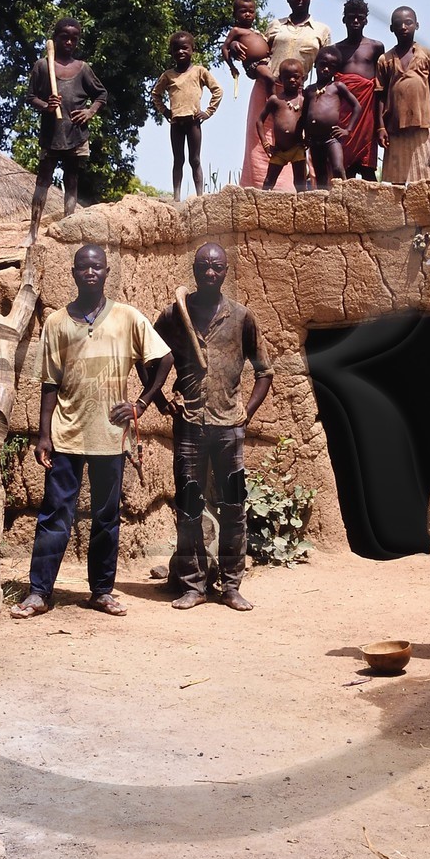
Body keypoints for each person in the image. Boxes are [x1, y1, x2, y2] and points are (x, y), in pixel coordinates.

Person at [11, 244, 174, 620]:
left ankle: (101, 591)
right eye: (83, 267)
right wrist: (43, 435)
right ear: (73, 273)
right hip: (67, 433)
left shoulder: (128, 318)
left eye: (96, 267)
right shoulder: (56, 323)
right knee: (55, 514)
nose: (90, 272)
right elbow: (49, 383)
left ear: (106, 272)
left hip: (111, 435)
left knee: (106, 517)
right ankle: (39, 593)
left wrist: (142, 404)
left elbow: (163, 359)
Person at [154, 243, 273, 611]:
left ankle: (232, 585)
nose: (209, 272)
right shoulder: (174, 316)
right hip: (189, 426)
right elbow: (149, 359)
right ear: (194, 269)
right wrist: (160, 401)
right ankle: (193, 584)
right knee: (189, 507)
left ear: (225, 272)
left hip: (228, 431)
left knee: (234, 506)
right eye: (203, 266)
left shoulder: (241, 318)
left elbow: (264, 371)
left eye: (216, 267)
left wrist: (247, 413)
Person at [240, 0, 332, 190]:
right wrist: (237, 45)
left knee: (294, 139)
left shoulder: (322, 31)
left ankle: (289, 193)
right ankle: (256, 192)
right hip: (266, 89)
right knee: (259, 142)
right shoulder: (275, 26)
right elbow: (257, 51)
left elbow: (327, 64)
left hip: (297, 94)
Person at [28, 17, 107, 242]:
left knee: (71, 179)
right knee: (43, 180)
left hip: (76, 133)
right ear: (55, 38)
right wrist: (47, 106)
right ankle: (33, 230)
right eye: (65, 37)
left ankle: (68, 225)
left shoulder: (83, 69)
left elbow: (101, 95)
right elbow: (31, 96)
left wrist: (89, 112)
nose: (69, 42)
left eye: (74, 38)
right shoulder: (43, 66)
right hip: (51, 134)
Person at [375, 6, 430, 183]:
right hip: (394, 126)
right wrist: (381, 127)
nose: (404, 27)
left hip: (422, 124)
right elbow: (380, 96)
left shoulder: (427, 55)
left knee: (425, 178)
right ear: (392, 28)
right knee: (396, 180)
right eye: (399, 24)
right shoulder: (385, 59)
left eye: (408, 23)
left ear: (417, 25)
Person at [151, 31, 223, 201]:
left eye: (185, 48)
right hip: (176, 122)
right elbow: (156, 94)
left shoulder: (199, 71)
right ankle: (176, 197)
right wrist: (165, 111)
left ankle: (199, 197)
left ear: (193, 50)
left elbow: (217, 90)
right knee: (178, 160)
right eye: (176, 49)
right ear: (172, 52)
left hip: (193, 122)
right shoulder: (168, 75)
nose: (181, 52)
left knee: (195, 159)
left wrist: (208, 112)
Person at [331, 0, 385, 180]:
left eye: (360, 18)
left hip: (368, 111)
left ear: (366, 21)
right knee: (345, 166)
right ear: (343, 19)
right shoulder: (336, 50)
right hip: (345, 113)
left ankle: (377, 208)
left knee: (367, 165)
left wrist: (381, 122)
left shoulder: (376, 47)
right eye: (351, 18)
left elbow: (380, 85)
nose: (355, 22)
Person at [302, 47, 361, 189]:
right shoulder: (309, 90)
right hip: (314, 140)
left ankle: (345, 197)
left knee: (338, 168)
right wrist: (304, 135)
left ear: (337, 70)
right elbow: (304, 115)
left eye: (331, 67)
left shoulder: (337, 87)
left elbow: (357, 107)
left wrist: (348, 130)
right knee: (320, 173)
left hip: (331, 137)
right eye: (323, 64)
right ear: (315, 64)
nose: (326, 69)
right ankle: (324, 205)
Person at [257, 58, 313, 192]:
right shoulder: (275, 100)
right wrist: (265, 143)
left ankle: (302, 208)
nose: (292, 80)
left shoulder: (304, 101)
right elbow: (259, 121)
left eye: (296, 77)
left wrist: (308, 138)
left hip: (297, 148)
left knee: (300, 183)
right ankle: (260, 207)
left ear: (303, 79)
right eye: (288, 78)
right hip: (279, 150)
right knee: (269, 181)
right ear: (280, 80)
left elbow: (308, 121)